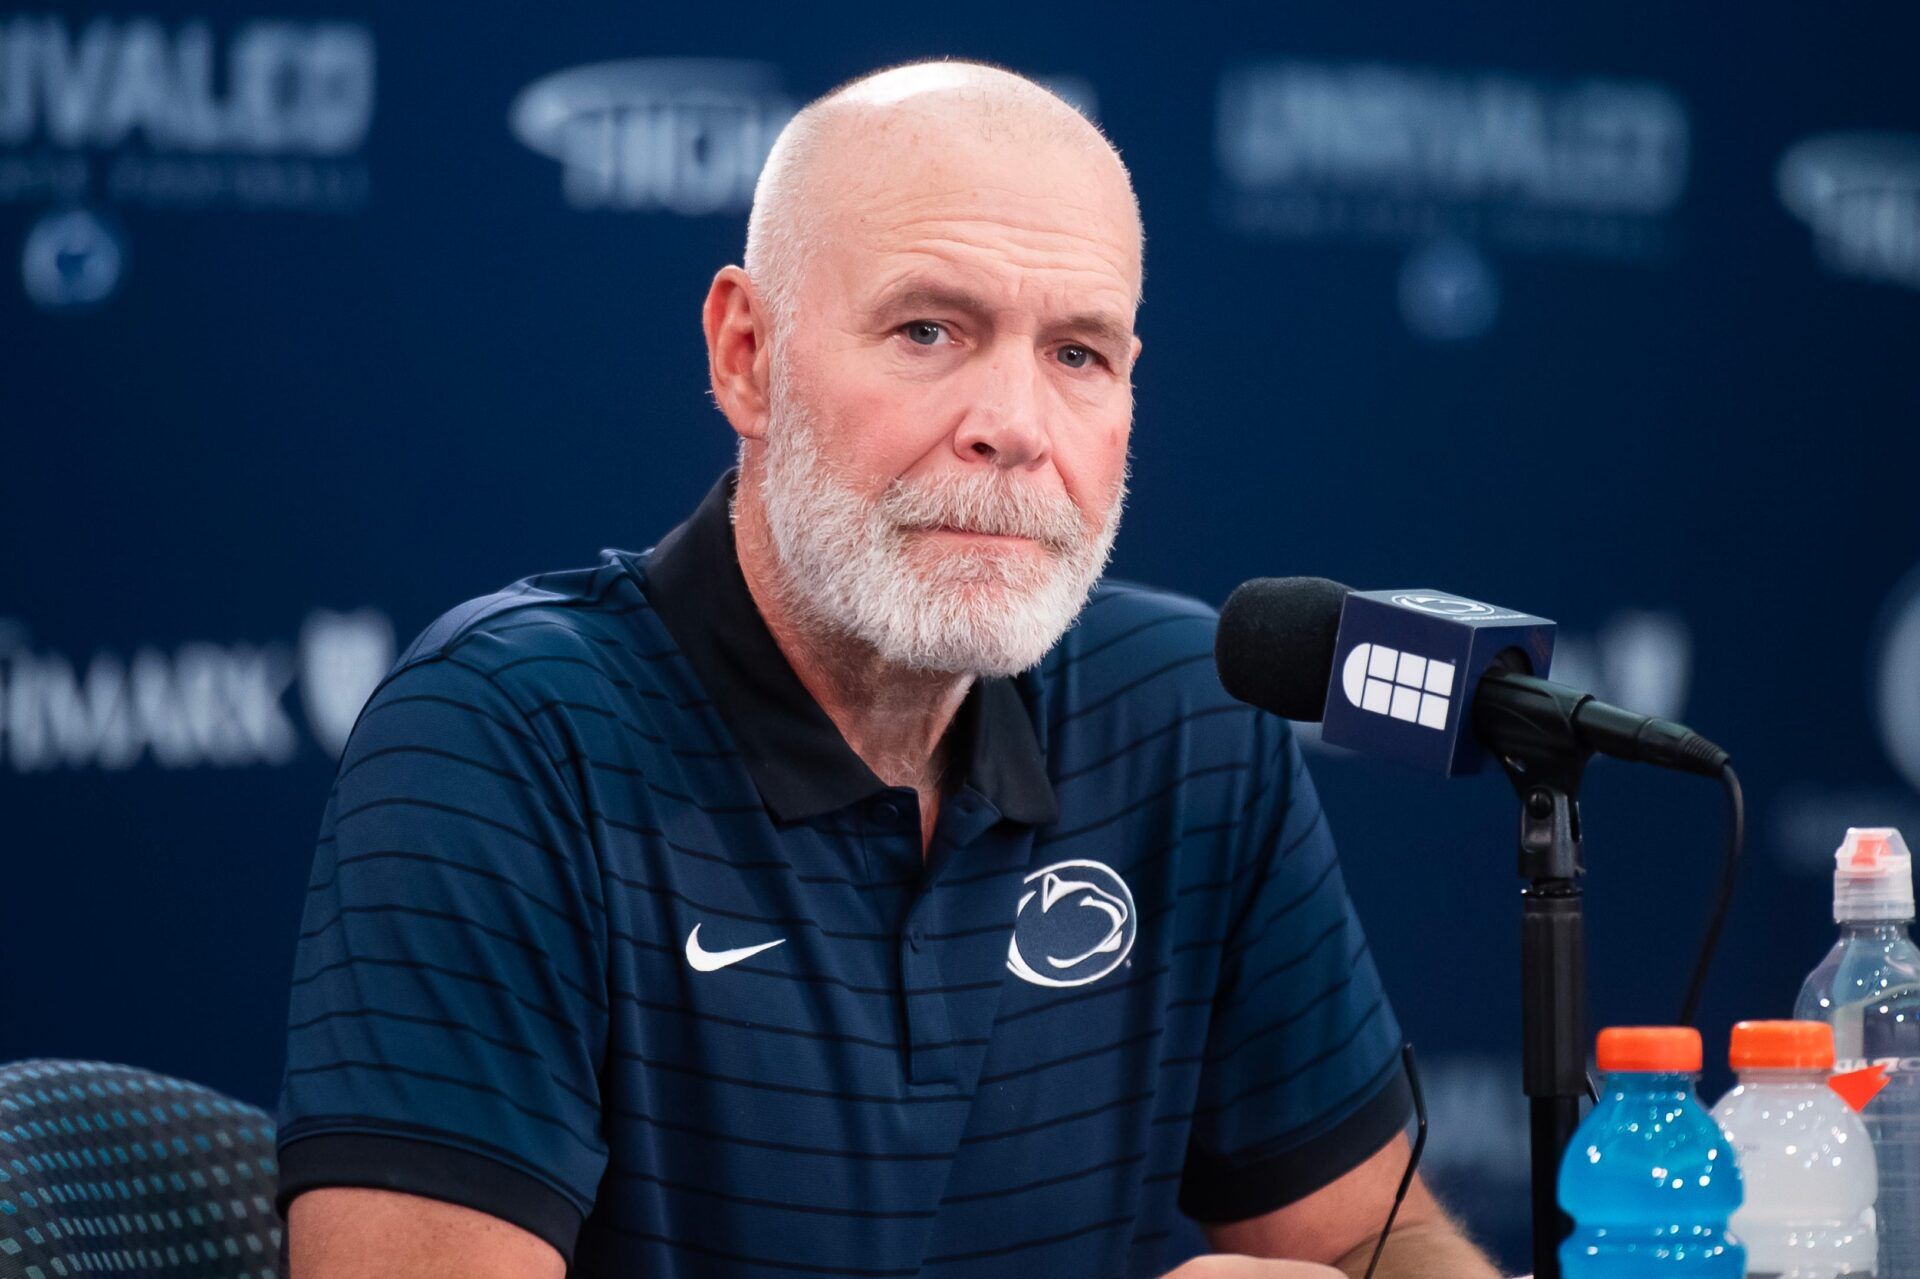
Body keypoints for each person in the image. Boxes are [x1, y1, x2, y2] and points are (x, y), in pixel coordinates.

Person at [274, 59, 1501, 1279]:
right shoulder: (502, 744)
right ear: (747, 355)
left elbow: (1375, 1238)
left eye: (1078, 354)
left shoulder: (1189, 714)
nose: (1014, 426)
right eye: (928, 331)